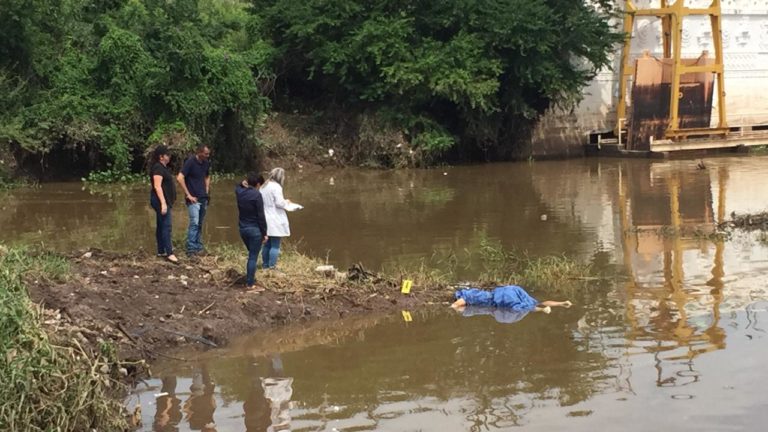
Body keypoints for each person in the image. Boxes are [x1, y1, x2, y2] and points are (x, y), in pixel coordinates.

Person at [177, 145, 211, 256]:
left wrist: (206, 189)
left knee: (200, 223)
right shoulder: (190, 162)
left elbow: (207, 176)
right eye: (206, 154)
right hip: (193, 199)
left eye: (208, 154)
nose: (207, 156)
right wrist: (188, 195)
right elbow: (180, 177)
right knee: (194, 223)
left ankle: (198, 246)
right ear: (199, 153)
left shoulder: (206, 163)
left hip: (203, 197)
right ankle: (191, 248)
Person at [236, 172, 268, 291]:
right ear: (258, 184)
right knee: (253, 257)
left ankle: (251, 278)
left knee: (252, 255)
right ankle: (250, 284)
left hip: (242, 229)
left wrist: (241, 183)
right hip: (255, 230)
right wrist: (265, 233)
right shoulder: (257, 195)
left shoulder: (239, 192)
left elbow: (237, 186)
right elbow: (261, 216)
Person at [450, 285, 572, 314]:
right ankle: (562, 303)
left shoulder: (470, 295)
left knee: (522, 306)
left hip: (501, 297)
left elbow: (460, 303)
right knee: (531, 301)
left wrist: (451, 308)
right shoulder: (476, 294)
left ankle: (542, 310)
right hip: (511, 291)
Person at [149, 145, 178, 264]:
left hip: (163, 200)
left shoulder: (162, 167)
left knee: (161, 225)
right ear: (161, 157)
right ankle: (169, 253)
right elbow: (157, 186)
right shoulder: (158, 168)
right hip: (160, 200)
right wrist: (163, 203)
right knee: (166, 225)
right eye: (167, 155)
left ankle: (161, 250)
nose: (169, 157)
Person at [260, 168, 292, 269]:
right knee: (275, 245)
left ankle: (265, 265)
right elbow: (279, 203)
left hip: (264, 216)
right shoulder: (276, 187)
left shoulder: (264, 185)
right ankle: (272, 266)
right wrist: (286, 202)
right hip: (274, 218)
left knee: (267, 244)